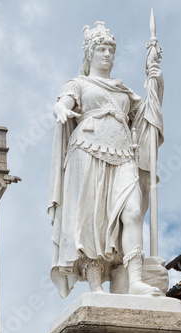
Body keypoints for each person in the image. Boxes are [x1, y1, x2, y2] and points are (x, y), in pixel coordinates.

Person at [49, 21, 164, 297]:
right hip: (87, 150)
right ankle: (96, 285)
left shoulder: (123, 91)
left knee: (133, 211)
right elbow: (63, 102)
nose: (107, 54)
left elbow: (147, 114)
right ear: (89, 53)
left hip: (123, 153)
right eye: (101, 49)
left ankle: (134, 280)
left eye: (110, 50)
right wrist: (61, 110)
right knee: (92, 220)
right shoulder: (78, 84)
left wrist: (155, 79)